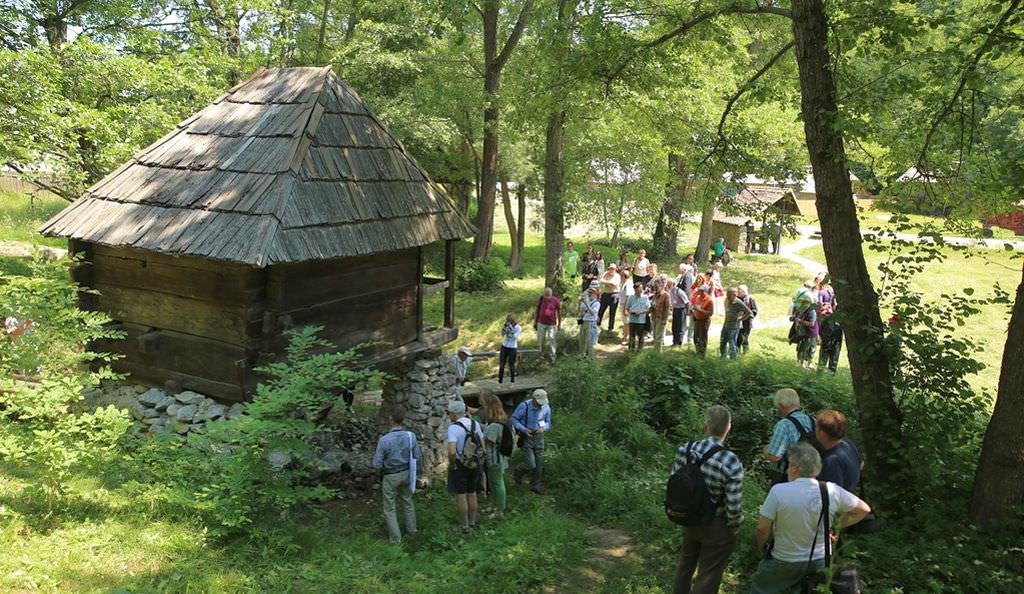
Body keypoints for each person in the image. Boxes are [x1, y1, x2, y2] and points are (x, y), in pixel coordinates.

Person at [751, 443, 871, 594]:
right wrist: (835, 526)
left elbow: (762, 528)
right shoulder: (831, 490)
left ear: (794, 468)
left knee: (760, 588)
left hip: (784, 559)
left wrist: (761, 549)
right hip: (819, 560)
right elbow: (864, 510)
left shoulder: (778, 491)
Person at [671, 405, 744, 594]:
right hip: (717, 526)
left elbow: (675, 483)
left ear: (706, 426)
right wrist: (734, 528)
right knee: (709, 574)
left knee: (685, 564)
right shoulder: (730, 461)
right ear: (729, 428)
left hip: (688, 518)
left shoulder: (684, 450)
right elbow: (734, 508)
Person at [372, 405, 421, 544]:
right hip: (406, 473)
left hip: (391, 475)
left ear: (390, 419)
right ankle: (412, 531)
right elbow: (417, 456)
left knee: (389, 507)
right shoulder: (411, 436)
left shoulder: (384, 440)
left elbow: (376, 463)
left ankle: (395, 539)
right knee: (407, 502)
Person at [447, 400, 485, 532]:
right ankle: (473, 522)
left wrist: (452, 464)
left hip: (460, 463)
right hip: (474, 462)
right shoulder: (475, 424)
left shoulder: (453, 428)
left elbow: (452, 451)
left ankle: (464, 526)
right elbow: (482, 443)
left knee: (461, 494)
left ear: (454, 414)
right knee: (472, 492)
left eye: (450, 413)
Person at [764, 388, 815, 484]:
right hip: (813, 474)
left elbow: (775, 456)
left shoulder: (784, 424)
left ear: (782, 406)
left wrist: (766, 450)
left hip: (792, 475)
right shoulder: (813, 420)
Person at [512, 389, 552, 494]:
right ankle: (518, 470)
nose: (540, 405)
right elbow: (514, 419)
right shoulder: (524, 406)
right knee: (530, 464)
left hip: (539, 437)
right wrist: (523, 429)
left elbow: (548, 422)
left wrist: (543, 429)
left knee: (539, 464)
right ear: (534, 399)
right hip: (526, 437)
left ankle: (535, 485)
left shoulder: (546, 407)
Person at [815, 410, 862, 492]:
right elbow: (861, 463)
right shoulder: (848, 443)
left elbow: (833, 494)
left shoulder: (833, 460)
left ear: (822, 433)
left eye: (816, 427)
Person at [482, 393, 511, 514]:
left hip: (495, 459)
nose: (483, 407)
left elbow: (487, 440)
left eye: (484, 405)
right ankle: (494, 504)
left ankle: (500, 509)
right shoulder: (502, 420)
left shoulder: (495, 425)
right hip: (499, 457)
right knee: (493, 483)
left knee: (497, 483)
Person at [719, 288, 753, 361]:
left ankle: (733, 360)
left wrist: (742, 318)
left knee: (732, 343)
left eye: (729, 295)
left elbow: (749, 312)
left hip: (733, 327)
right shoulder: (727, 300)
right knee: (723, 342)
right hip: (726, 325)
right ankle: (723, 358)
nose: (728, 296)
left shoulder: (738, 302)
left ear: (735, 295)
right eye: (727, 294)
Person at [533, 287, 561, 362]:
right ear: (544, 294)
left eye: (548, 295)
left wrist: (559, 324)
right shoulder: (541, 299)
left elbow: (559, 312)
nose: (547, 297)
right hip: (541, 323)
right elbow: (536, 310)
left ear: (551, 294)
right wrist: (535, 321)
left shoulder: (555, 300)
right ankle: (541, 355)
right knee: (541, 340)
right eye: (546, 295)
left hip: (552, 324)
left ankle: (553, 356)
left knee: (552, 339)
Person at [791, 295, 819, 369]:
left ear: (809, 303)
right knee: (800, 348)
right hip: (802, 332)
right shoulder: (801, 310)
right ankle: (800, 363)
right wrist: (793, 318)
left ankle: (807, 364)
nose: (803, 304)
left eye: (805, 302)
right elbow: (795, 317)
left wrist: (800, 321)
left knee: (809, 349)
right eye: (803, 302)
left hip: (811, 333)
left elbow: (811, 324)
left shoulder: (812, 311)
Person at [626, 281, 651, 351]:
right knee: (632, 337)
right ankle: (631, 350)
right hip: (632, 320)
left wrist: (641, 312)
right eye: (638, 289)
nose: (640, 290)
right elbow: (627, 308)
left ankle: (639, 350)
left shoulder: (645, 298)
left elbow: (648, 309)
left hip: (641, 321)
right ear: (635, 289)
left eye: (641, 288)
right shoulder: (631, 297)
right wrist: (631, 312)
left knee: (641, 337)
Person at [578, 282, 601, 357]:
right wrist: (580, 302)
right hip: (584, 322)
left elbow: (592, 313)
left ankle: (590, 358)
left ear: (595, 294)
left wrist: (587, 304)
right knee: (582, 340)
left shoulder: (596, 303)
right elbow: (580, 312)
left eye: (592, 293)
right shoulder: (585, 301)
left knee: (590, 341)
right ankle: (582, 356)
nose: (590, 294)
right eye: (589, 292)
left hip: (591, 323)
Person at [597, 263, 622, 331]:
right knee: (600, 311)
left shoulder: (617, 276)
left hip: (614, 295)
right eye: (610, 268)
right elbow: (601, 280)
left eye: (613, 269)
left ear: (615, 269)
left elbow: (615, 284)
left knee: (612, 312)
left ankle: (610, 328)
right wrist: (609, 283)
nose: (611, 270)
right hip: (605, 294)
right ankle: (597, 325)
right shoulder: (605, 273)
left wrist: (606, 283)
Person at [691, 284, 713, 358]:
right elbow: (696, 307)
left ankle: (702, 355)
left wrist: (700, 310)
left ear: (705, 291)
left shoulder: (709, 300)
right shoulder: (698, 297)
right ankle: (698, 352)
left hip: (704, 321)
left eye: (701, 290)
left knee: (702, 338)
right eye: (699, 290)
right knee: (695, 337)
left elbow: (710, 313)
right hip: (697, 320)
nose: (699, 291)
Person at [498, 314, 521, 384]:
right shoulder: (507, 325)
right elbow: (502, 334)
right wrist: (504, 329)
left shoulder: (518, 328)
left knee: (511, 365)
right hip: (504, 346)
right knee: (502, 365)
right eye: (507, 321)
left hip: (512, 347)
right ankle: (500, 381)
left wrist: (511, 329)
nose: (508, 323)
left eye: (510, 321)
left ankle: (512, 381)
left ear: (513, 321)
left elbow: (515, 337)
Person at [649, 280, 671, 352]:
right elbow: (652, 305)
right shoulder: (655, 295)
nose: (655, 288)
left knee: (659, 337)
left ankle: (658, 353)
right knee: (655, 336)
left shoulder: (666, 295)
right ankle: (655, 351)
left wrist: (665, 320)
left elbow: (667, 309)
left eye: (657, 286)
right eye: (654, 287)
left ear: (661, 286)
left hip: (661, 318)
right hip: (654, 317)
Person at [736, 285, 758, 354]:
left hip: (747, 321)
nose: (738, 292)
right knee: (738, 336)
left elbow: (754, 310)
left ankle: (746, 351)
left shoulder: (750, 299)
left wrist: (747, 316)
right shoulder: (736, 299)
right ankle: (737, 350)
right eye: (738, 290)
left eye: (740, 290)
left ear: (744, 292)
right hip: (738, 321)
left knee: (744, 336)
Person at [668, 277, 690, 347]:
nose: (668, 285)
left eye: (669, 284)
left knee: (680, 326)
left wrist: (687, 312)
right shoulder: (670, 291)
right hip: (675, 309)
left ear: (674, 284)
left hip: (681, 309)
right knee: (674, 326)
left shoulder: (680, 292)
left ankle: (679, 343)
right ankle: (674, 342)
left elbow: (687, 302)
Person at [619, 270, 634, 345]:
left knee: (627, 322)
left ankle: (627, 338)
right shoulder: (623, 283)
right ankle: (626, 336)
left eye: (621, 276)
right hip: (623, 304)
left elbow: (628, 297)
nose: (620, 278)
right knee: (625, 322)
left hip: (626, 305)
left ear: (624, 276)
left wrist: (626, 308)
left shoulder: (628, 284)